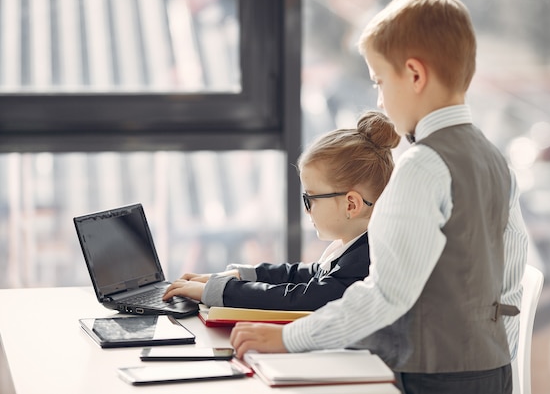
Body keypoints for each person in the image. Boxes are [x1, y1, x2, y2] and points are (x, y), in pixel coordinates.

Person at [230, 0, 529, 394]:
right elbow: (509, 283)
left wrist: (287, 338)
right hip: (493, 372)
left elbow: (385, 293)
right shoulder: (498, 163)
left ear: (415, 75)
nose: (380, 99)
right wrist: (492, 359)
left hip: (426, 377)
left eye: (380, 81)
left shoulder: (422, 167)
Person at [162, 111, 400, 312]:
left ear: (351, 205)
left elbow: (301, 298)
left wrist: (217, 292)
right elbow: (303, 275)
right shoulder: (354, 246)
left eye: (310, 199)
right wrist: (238, 276)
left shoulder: (367, 262)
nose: (306, 210)